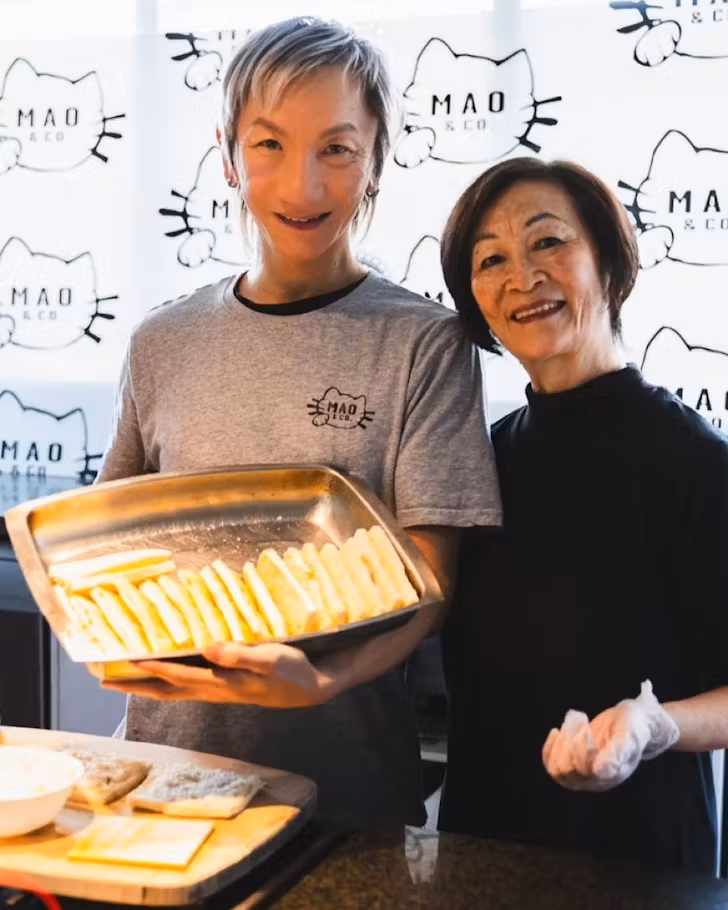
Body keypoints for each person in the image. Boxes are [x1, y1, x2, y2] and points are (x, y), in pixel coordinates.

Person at [97, 17, 501, 831]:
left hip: (343, 800)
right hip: (163, 782)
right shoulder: (161, 342)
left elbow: (432, 582)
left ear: (378, 156)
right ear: (228, 154)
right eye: (270, 145)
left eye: (338, 149)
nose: (303, 188)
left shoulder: (424, 343)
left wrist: (323, 677)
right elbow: (108, 538)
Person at [437, 156, 728, 874]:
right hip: (482, 851)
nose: (521, 277)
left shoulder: (693, 460)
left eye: (548, 242)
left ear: (609, 259)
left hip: (637, 863)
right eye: (491, 259)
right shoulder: (480, 462)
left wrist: (655, 727)